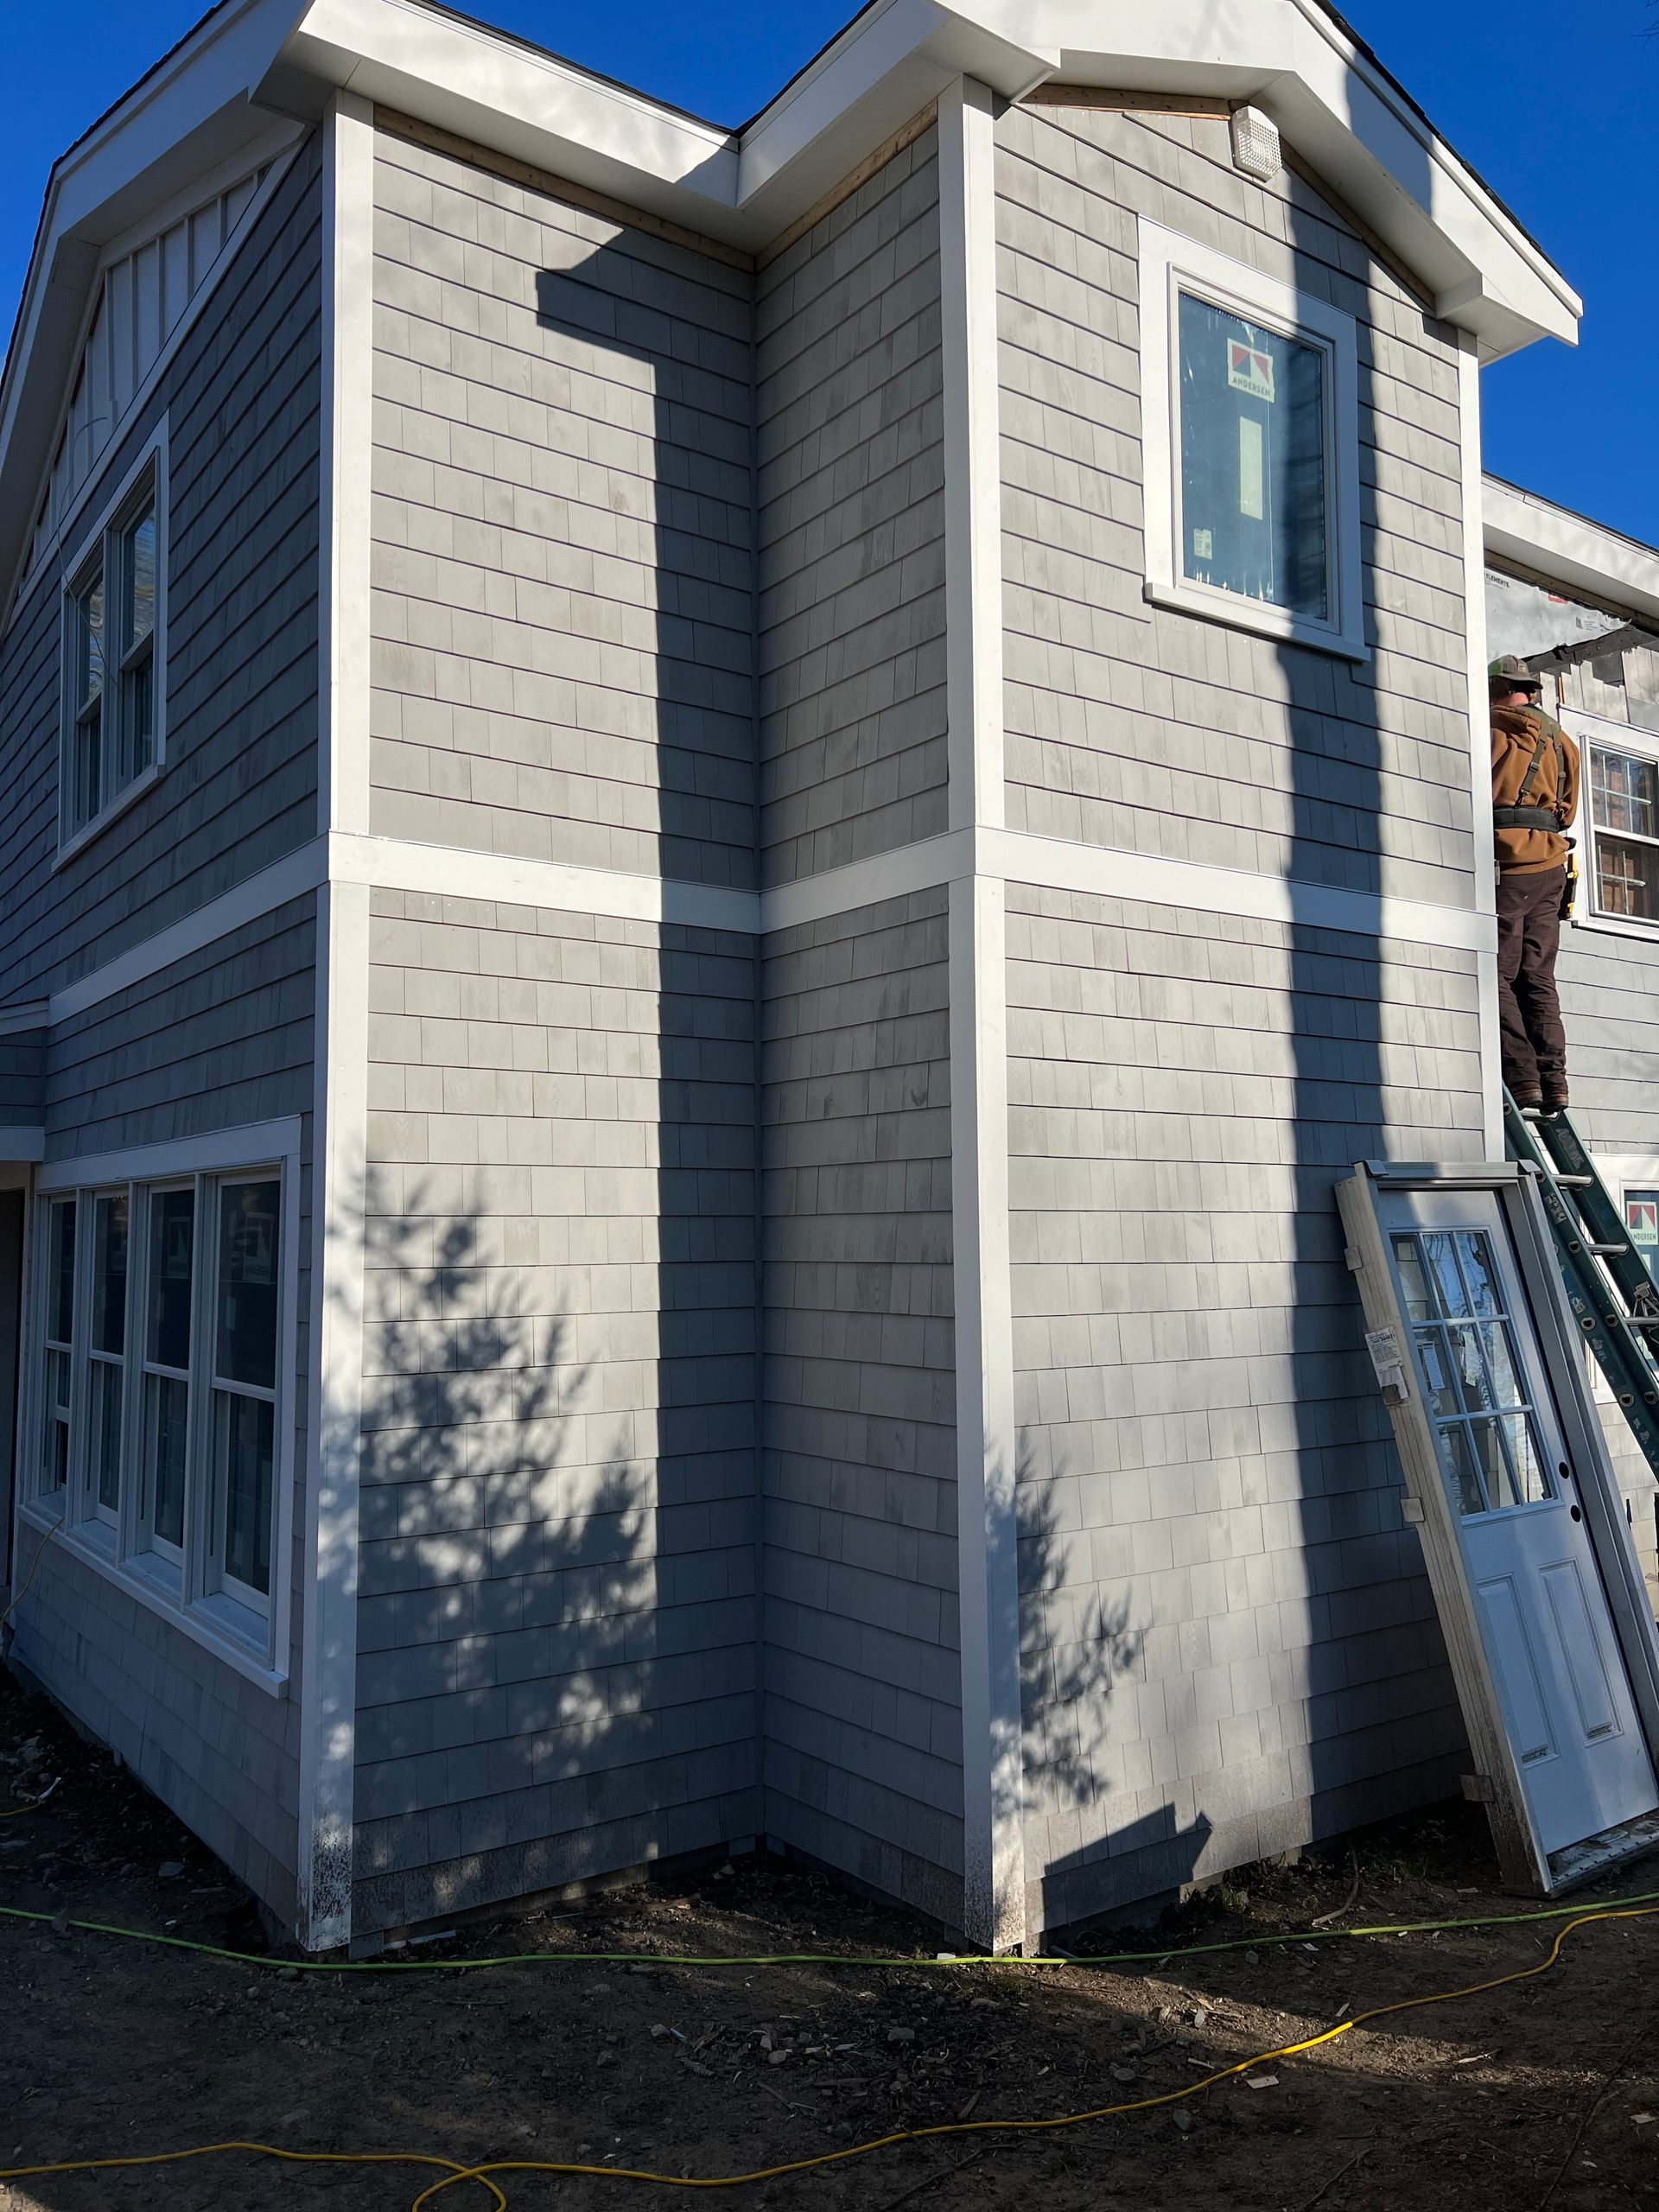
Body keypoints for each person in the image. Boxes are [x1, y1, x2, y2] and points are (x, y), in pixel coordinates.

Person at [1490, 652, 1580, 1114]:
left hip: (1510, 861)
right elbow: (1568, 810)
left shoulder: (1492, 730)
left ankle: (1523, 1079)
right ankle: (1554, 1081)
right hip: (1551, 866)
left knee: (1496, 972)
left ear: (1500, 689)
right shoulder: (1563, 742)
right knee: (1539, 976)